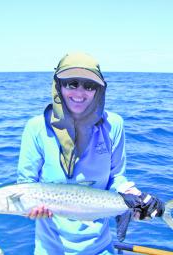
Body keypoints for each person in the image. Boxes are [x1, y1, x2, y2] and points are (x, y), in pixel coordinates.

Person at [17, 52, 164, 255]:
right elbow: (25, 186)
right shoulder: (35, 128)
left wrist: (133, 197)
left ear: (99, 91)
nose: (80, 92)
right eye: (72, 83)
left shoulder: (114, 125)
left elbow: (116, 177)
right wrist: (30, 210)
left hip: (100, 248)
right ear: (58, 85)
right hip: (50, 249)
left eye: (89, 85)